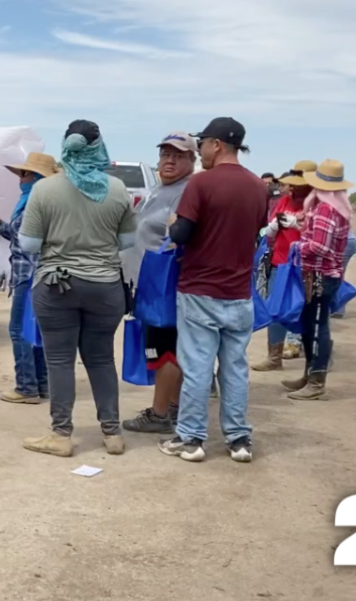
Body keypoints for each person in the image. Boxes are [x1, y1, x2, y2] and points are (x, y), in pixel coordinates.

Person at [18, 120, 136, 458]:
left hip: (57, 286)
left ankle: (61, 434)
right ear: (99, 146)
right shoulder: (117, 190)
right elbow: (128, 241)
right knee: (100, 359)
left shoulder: (45, 190)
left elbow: (28, 243)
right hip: (105, 286)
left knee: (59, 360)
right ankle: (112, 433)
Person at [160, 117, 267, 464]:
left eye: (203, 143)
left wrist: (173, 224)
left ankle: (191, 439)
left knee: (198, 367)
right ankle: (239, 440)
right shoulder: (257, 186)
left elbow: (182, 235)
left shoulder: (201, 183)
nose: (201, 149)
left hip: (199, 290)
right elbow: (255, 231)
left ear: (217, 145)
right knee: (235, 368)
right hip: (239, 293)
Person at [122, 132, 198, 435]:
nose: (169, 160)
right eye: (166, 154)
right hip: (148, 283)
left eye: (178, 156)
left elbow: (182, 234)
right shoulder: (159, 188)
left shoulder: (187, 190)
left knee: (165, 348)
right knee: (164, 346)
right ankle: (174, 408)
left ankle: (160, 414)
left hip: (165, 285)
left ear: (192, 160)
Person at [0, 152, 58, 405]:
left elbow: (26, 242)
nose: (20, 179)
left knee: (19, 330)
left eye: (25, 174)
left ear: (37, 177)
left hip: (27, 276)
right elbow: (22, 237)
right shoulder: (43, 201)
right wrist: (1, 225)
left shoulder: (32, 203)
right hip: (38, 275)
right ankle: (41, 384)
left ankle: (26, 386)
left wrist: (4, 227)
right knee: (35, 331)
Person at [282, 160, 353, 401]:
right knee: (312, 324)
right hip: (325, 275)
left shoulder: (325, 209)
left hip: (319, 275)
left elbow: (320, 246)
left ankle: (316, 379)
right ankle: (310, 375)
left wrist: (297, 246)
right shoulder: (337, 209)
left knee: (316, 327)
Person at [253, 160, 316, 372]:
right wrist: (275, 225)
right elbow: (268, 232)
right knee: (275, 310)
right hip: (280, 261)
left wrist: (299, 224)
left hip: (305, 264)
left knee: (305, 310)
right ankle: (274, 356)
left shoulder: (316, 204)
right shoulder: (284, 201)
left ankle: (309, 356)